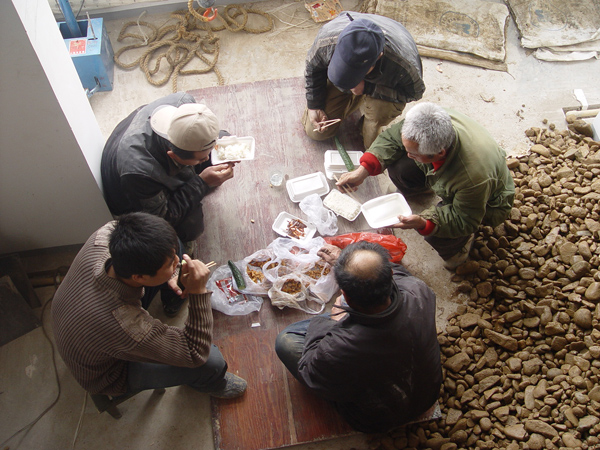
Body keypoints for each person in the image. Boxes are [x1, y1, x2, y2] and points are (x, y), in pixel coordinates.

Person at [51, 212, 247, 399]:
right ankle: (207, 383)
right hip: (108, 373)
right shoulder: (125, 324)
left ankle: (170, 293)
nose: (178, 262)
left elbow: (167, 252)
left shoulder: (106, 235)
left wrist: (172, 272)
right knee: (211, 363)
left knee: (173, 245)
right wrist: (198, 292)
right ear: (139, 277)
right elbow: (195, 353)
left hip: (77, 318)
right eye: (171, 265)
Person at [275, 241, 442, 434]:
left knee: (285, 340)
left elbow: (309, 372)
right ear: (390, 275)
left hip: (374, 420)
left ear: (345, 296)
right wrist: (343, 260)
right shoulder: (418, 289)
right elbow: (396, 272)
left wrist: (334, 320)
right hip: (427, 397)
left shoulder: (338, 347)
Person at [337, 102, 515, 270]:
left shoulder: (473, 177)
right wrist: (363, 170)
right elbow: (392, 139)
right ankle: (420, 190)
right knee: (399, 165)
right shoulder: (425, 120)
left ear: (439, 153)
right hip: (456, 176)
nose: (408, 154)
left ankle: (457, 248)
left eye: (413, 153)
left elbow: (465, 219)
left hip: (489, 203)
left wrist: (425, 222)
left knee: (434, 232)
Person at [101, 92, 236, 246]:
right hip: (132, 195)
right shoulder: (140, 172)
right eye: (200, 159)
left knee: (222, 149)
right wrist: (201, 183)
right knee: (191, 227)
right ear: (172, 155)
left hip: (147, 160)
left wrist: (224, 145)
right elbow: (163, 217)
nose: (205, 159)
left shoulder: (183, 104)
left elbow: (208, 142)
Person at [303, 11, 425, 149]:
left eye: (355, 72)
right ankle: (355, 99)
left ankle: (367, 115)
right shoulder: (327, 40)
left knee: (373, 137)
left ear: (378, 57)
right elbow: (312, 68)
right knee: (317, 133)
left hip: (382, 82)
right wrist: (314, 105)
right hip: (359, 74)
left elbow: (415, 93)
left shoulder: (404, 65)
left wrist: (369, 88)